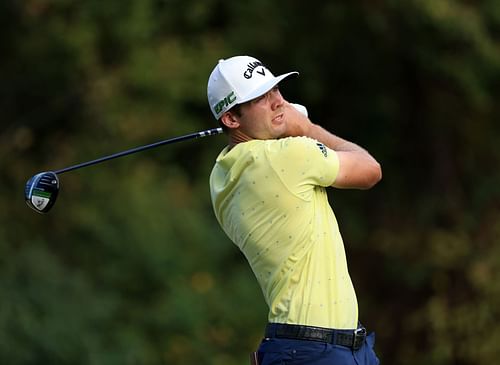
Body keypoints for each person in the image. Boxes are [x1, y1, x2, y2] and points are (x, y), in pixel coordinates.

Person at [207, 55, 382, 365]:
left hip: (318, 346)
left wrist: (279, 124)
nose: (278, 102)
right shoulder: (287, 156)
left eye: (275, 89)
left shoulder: (220, 177)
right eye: (259, 97)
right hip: (317, 350)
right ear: (231, 119)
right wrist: (307, 127)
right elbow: (370, 170)